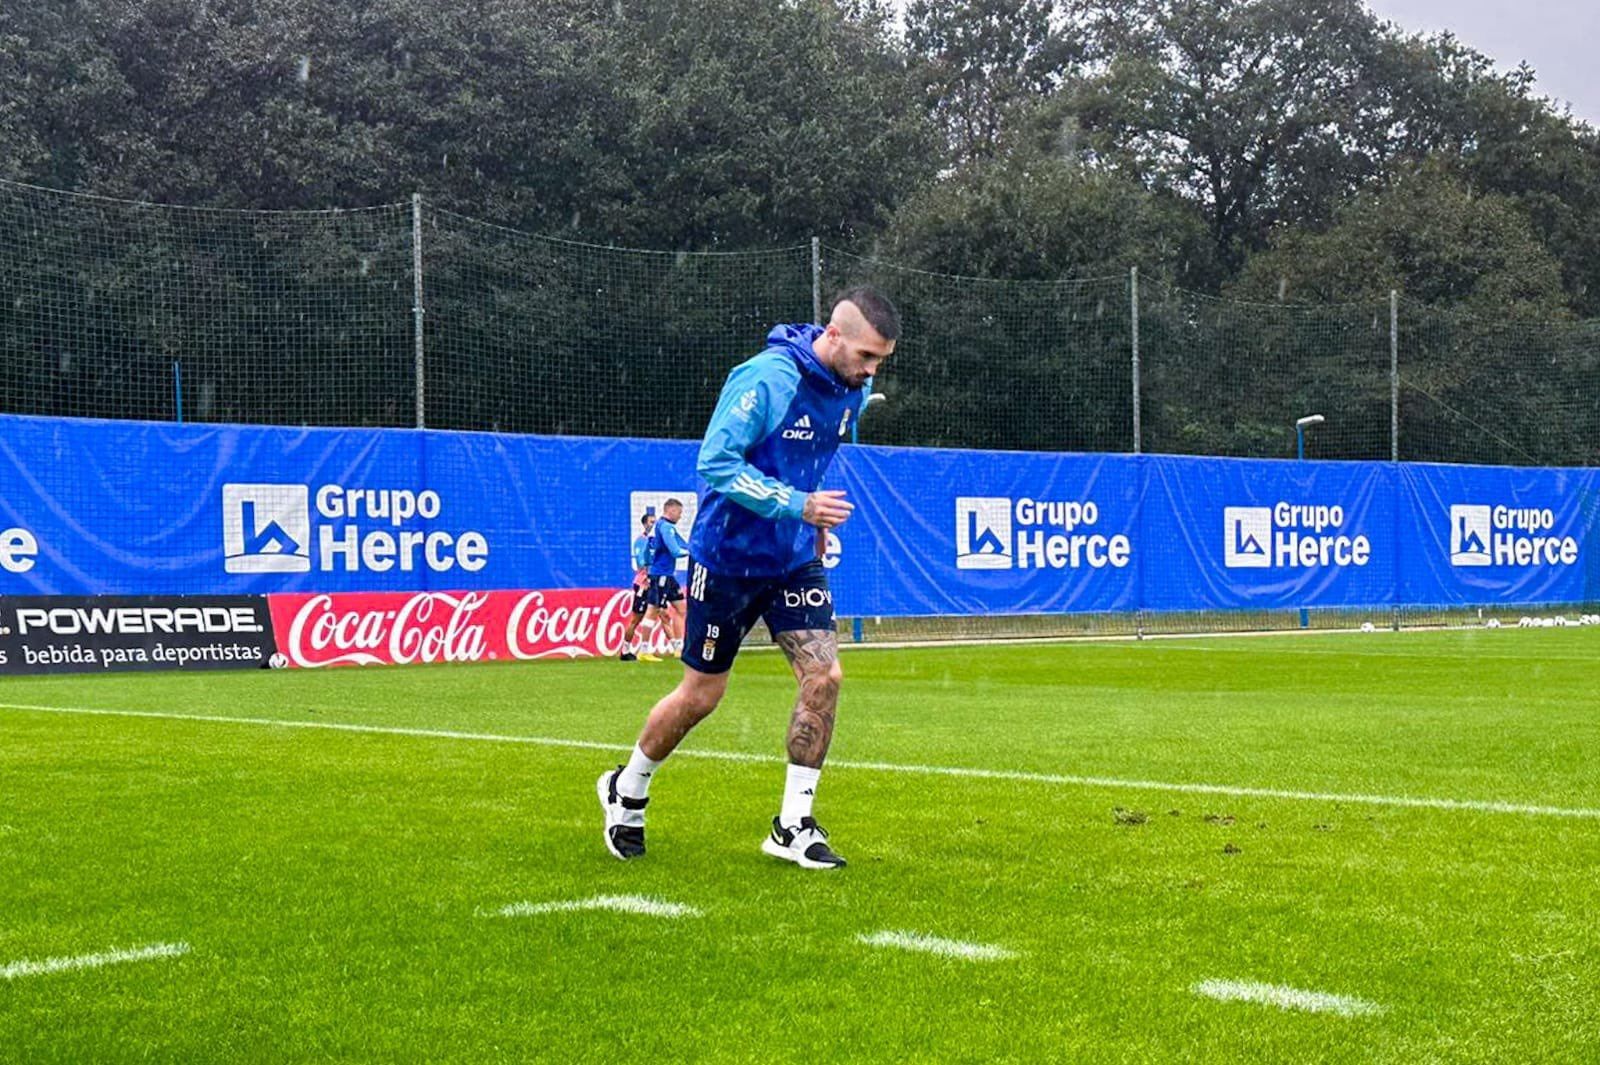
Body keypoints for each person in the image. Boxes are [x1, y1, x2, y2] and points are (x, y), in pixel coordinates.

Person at [597, 286, 898, 869]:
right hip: (727, 559)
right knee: (701, 696)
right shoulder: (767, 378)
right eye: (865, 356)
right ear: (832, 335)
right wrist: (798, 506)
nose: (870, 371)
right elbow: (715, 463)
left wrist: (810, 529)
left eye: (880, 361)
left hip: (791, 560)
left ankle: (793, 826)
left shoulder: (851, 394)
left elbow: (810, 463)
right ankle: (626, 787)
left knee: (825, 675)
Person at [642, 498, 689, 657]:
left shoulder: (658, 526)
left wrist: (647, 569)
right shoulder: (666, 527)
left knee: (681, 608)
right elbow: (676, 551)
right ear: (671, 510)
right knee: (652, 611)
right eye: (680, 513)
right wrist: (692, 553)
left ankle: (679, 647)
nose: (680, 516)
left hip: (665, 575)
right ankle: (644, 650)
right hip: (661, 575)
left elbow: (646, 553)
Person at [618, 513, 656, 662]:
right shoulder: (641, 541)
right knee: (636, 619)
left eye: (655, 522)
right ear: (645, 524)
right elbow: (641, 561)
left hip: (653, 582)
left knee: (662, 614)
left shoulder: (653, 541)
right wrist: (646, 576)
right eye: (651, 522)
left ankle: (647, 649)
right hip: (643, 584)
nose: (654, 525)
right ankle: (625, 650)